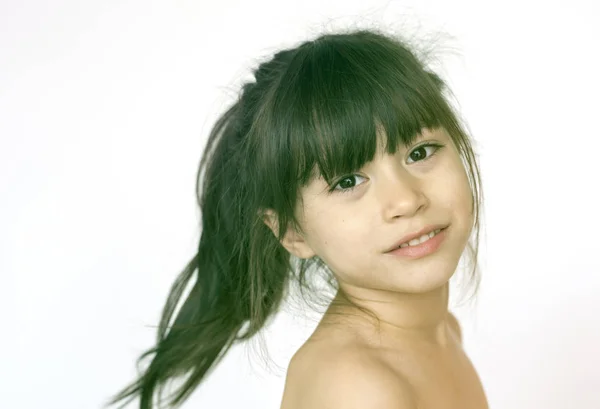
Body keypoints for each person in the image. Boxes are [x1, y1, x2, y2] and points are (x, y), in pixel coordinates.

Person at [105, 27, 488, 409]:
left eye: (420, 153)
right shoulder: (355, 385)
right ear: (292, 232)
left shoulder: (439, 332)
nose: (405, 199)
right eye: (348, 181)